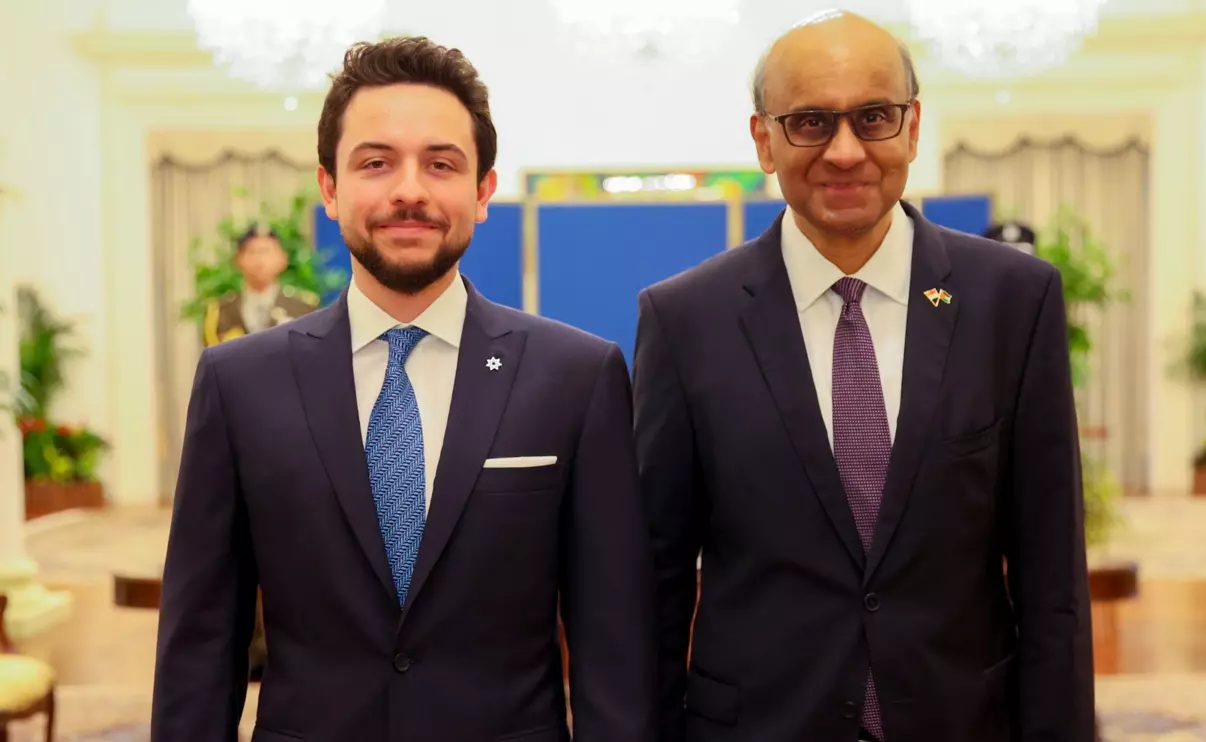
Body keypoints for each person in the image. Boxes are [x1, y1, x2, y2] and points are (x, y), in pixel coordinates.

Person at [153, 36, 656, 742]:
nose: (409, 190)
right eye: (376, 162)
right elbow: (200, 640)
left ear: (483, 191)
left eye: (441, 163)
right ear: (329, 188)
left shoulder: (576, 376)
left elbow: (613, 643)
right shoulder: (237, 383)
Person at [633, 11, 1094, 742]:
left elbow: (1052, 578)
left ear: (911, 127)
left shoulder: (1013, 300)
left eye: (872, 118)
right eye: (810, 122)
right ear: (764, 140)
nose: (844, 152)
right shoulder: (685, 319)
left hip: (964, 720)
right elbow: (653, 585)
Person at [202, 224, 321, 346]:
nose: (259, 259)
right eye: (252, 252)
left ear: (283, 259)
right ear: (238, 259)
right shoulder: (219, 312)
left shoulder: (303, 309)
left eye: (266, 251)